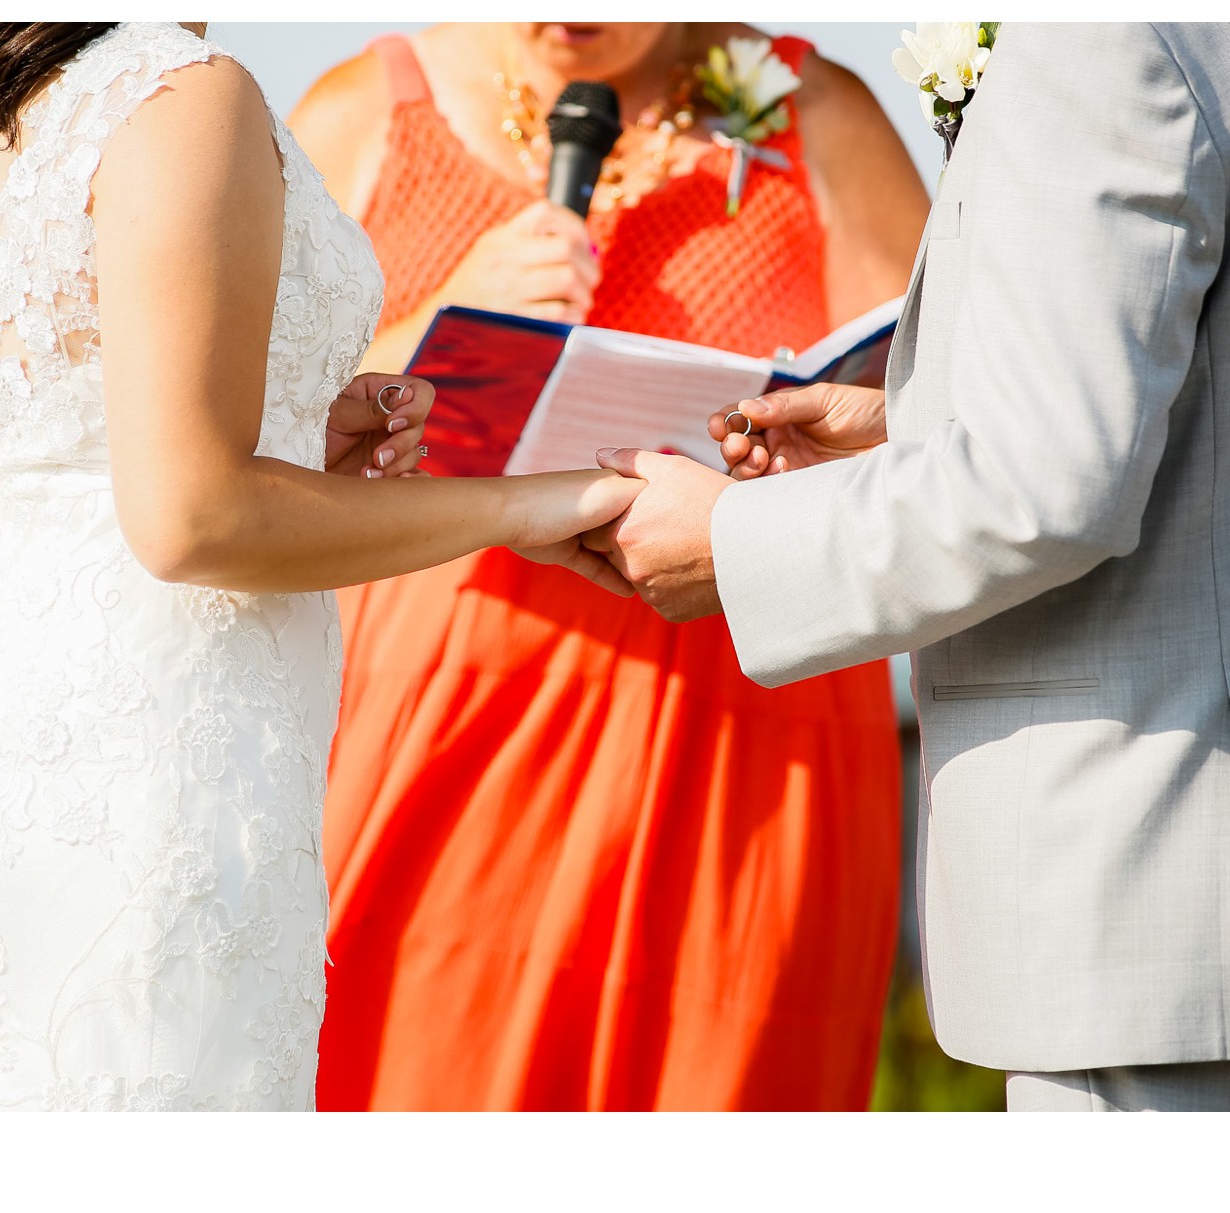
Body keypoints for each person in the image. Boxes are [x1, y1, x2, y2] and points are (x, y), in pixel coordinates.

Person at [581, 22, 1230, 1111]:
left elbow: (1044, 492)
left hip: (1148, 859)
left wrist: (728, 540)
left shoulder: (1105, 36)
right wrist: (920, 420)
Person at [0, 21, 639, 1112]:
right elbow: (190, 521)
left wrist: (298, 435)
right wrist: (526, 504)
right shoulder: (181, 93)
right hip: (152, 783)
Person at [287, 22, 928, 1110]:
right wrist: (435, 321)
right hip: (441, 722)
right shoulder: (361, 113)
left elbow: (939, 425)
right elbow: (230, 445)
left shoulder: (820, 114)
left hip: (745, 742)